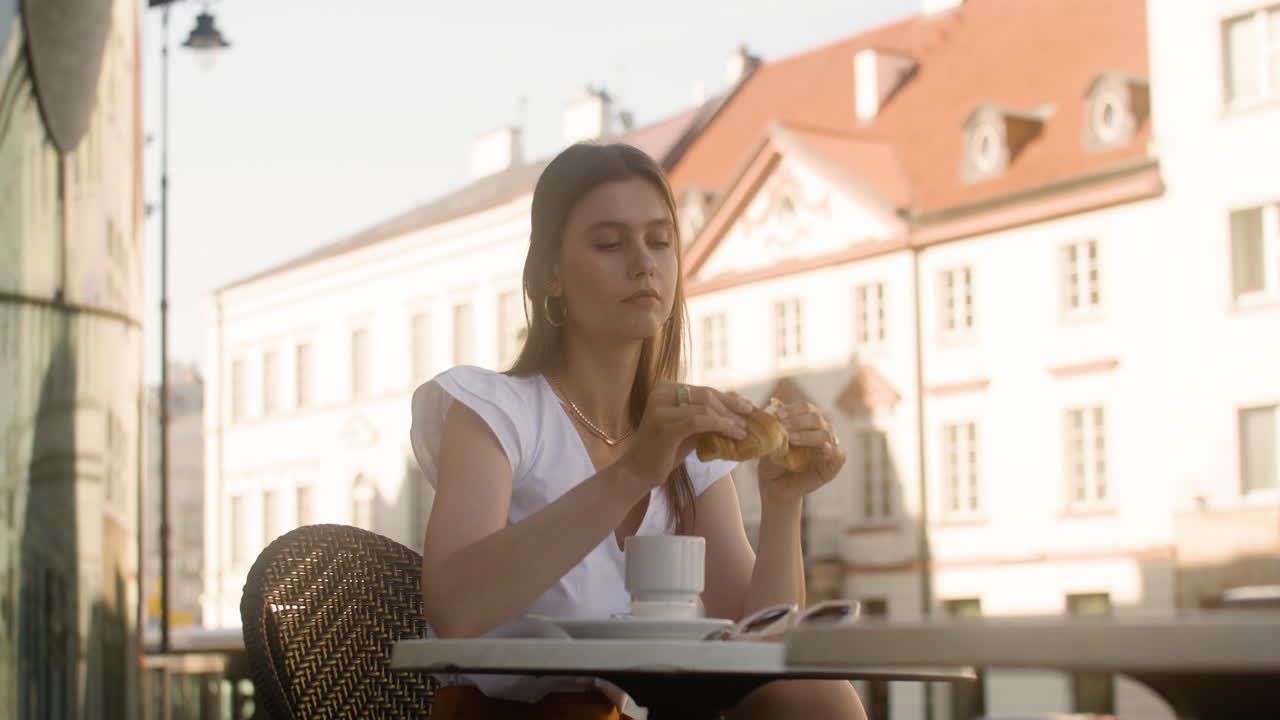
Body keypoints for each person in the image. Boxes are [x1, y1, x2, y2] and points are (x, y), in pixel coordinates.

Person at [410, 142, 866, 720]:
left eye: (660, 240)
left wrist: (782, 503)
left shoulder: (687, 438)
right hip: (521, 714)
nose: (643, 262)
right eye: (608, 243)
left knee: (820, 696)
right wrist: (632, 473)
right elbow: (455, 607)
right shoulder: (493, 409)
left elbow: (761, 648)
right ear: (550, 273)